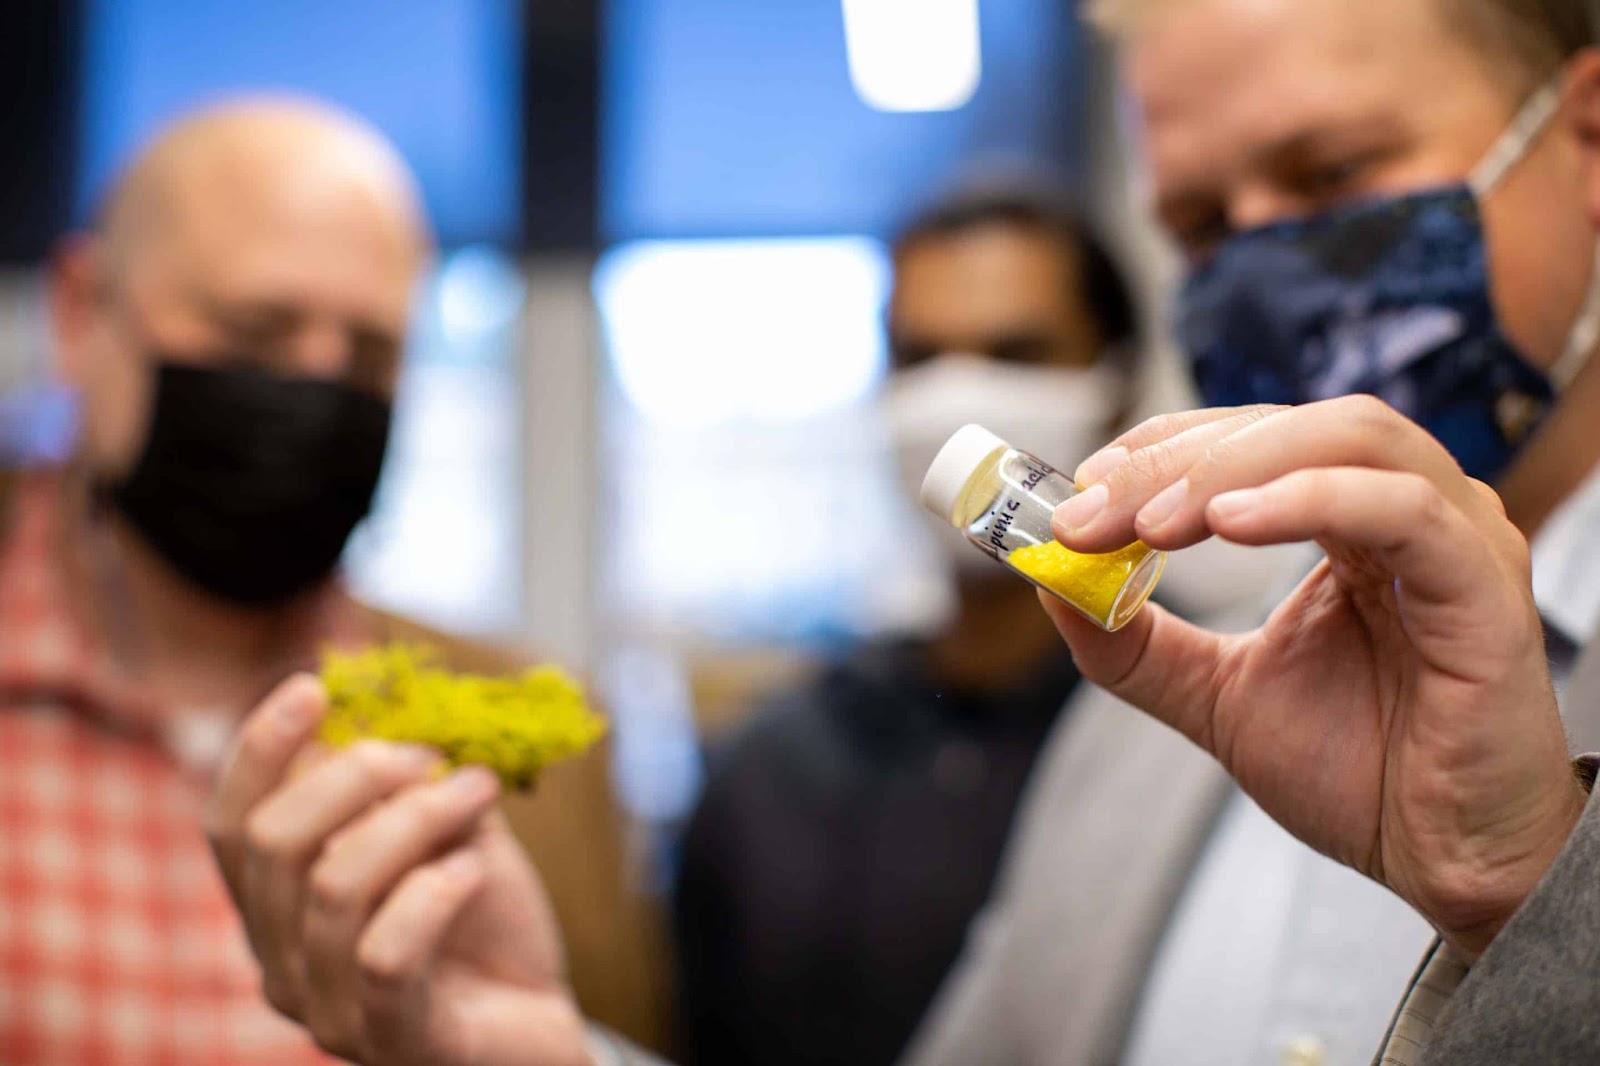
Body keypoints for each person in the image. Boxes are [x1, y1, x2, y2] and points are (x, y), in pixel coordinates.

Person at [905, 2, 1600, 1063]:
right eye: (1198, 227)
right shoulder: (1145, 710)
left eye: (1330, 173)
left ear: (1586, 142)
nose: (1264, 271)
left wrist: (1526, 902)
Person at [0, 98, 665, 1062]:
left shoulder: (530, 769)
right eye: (256, 331)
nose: (313, 390)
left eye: (368, 355)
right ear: (81, 314)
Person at [673, 187, 1138, 1066]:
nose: (955, 400)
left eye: (1016, 353)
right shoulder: (772, 765)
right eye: (919, 358)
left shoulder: (1203, 734)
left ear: (1112, 390)